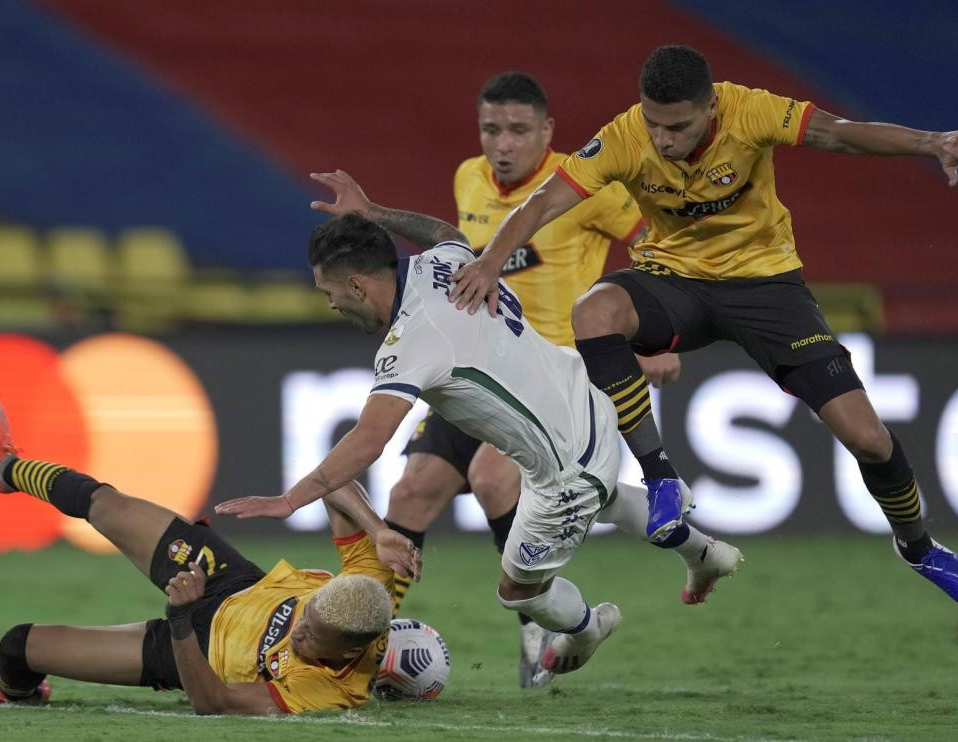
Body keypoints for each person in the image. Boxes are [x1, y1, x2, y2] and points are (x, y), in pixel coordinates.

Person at [448, 44, 958, 609]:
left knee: (869, 440)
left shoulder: (750, 111)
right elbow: (542, 203)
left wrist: (930, 143)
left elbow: (838, 132)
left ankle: (919, 547)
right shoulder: (625, 136)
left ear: (711, 107)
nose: (662, 139)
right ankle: (661, 477)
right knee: (593, 312)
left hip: (768, 289)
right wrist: (490, 262)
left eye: (677, 126)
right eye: (654, 124)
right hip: (675, 281)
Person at [216, 194, 742, 683]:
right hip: (586, 395)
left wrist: (290, 499)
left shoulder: (412, 342)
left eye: (327, 290)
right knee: (598, 498)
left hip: (565, 466)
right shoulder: (439, 265)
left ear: (356, 285)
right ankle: (701, 552)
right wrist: (375, 210)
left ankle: (585, 629)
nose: (329, 303)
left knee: (516, 591)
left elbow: (368, 440)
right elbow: (443, 230)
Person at [378, 70, 674, 687]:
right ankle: (367, 640)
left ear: (547, 132)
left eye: (517, 131)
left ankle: (535, 619)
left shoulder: (584, 186)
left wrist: (648, 338)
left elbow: (658, 248)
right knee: (410, 494)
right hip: (474, 371)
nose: (502, 144)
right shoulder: (468, 178)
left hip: (549, 382)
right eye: (491, 129)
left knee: (491, 476)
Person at [0, 389, 421, 715]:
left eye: (311, 636)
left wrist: (180, 618)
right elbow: (336, 482)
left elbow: (213, 702)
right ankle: (6, 467)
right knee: (104, 503)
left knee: (19, 645)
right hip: (230, 580)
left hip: (190, 652)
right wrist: (377, 529)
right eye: (306, 616)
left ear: (351, 650)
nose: (298, 631)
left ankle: (14, 691)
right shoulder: (369, 587)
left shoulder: (327, 692)